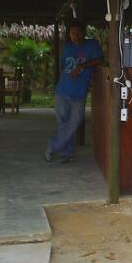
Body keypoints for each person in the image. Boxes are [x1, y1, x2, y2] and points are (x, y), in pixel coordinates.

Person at [45, 20, 103, 163]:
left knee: (75, 121)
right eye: (72, 34)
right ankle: (67, 153)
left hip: (79, 93)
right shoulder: (67, 48)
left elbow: (99, 60)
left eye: (78, 33)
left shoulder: (92, 45)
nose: (75, 36)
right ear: (69, 35)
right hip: (62, 91)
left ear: (84, 33)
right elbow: (63, 66)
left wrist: (82, 66)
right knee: (63, 123)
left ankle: (53, 145)